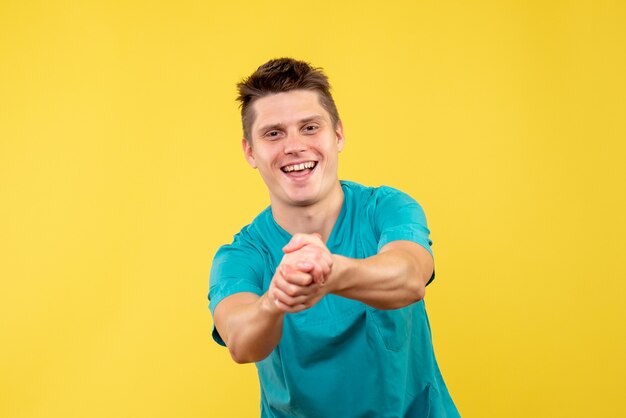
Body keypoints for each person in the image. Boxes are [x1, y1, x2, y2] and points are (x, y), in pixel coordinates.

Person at [208, 58, 460, 418]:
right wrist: (276, 299)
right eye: (273, 133)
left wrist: (330, 274)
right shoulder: (240, 255)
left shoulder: (386, 208)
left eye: (309, 127)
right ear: (250, 151)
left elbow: (410, 277)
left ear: (338, 134)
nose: (294, 146)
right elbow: (240, 341)